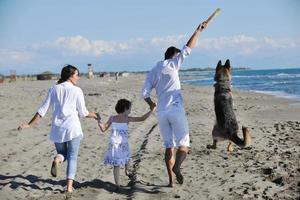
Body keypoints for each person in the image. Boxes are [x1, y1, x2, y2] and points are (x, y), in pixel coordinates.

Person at [141, 21, 208, 187]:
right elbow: (188, 48)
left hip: (162, 113)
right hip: (176, 110)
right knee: (183, 144)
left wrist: (151, 104)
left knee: (168, 146)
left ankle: (171, 181)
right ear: (173, 55)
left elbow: (144, 94)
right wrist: (198, 31)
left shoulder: (154, 70)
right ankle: (177, 167)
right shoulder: (173, 63)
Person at [18, 65, 99, 193]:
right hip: (73, 129)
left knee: (63, 155)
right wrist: (95, 115)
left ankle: (57, 160)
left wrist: (29, 124)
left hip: (57, 130)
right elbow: (83, 113)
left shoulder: (53, 89)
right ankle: (69, 188)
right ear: (70, 75)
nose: (78, 77)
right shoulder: (77, 90)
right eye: (76, 74)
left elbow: (42, 110)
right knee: (72, 157)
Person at [97, 99, 155, 190]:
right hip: (123, 144)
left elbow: (103, 129)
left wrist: (98, 120)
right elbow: (142, 118)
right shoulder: (127, 119)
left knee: (117, 165)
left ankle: (117, 184)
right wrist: (152, 110)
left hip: (114, 144)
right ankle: (127, 172)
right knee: (127, 158)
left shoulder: (112, 118)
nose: (130, 110)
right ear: (125, 109)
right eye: (129, 109)